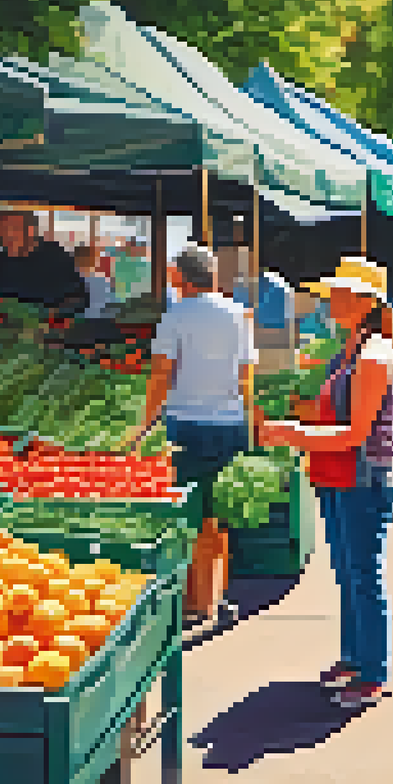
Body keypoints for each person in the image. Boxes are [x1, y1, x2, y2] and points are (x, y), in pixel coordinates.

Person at [258, 257, 393, 708]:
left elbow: (357, 433)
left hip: (362, 477)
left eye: (340, 294)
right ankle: (355, 657)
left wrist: (293, 434)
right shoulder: (350, 348)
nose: (330, 300)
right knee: (347, 571)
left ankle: (373, 672)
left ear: (364, 303)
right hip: (338, 473)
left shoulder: (375, 355)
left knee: (362, 573)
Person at [138, 241, 254, 629]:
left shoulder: (176, 315)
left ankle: (196, 603)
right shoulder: (238, 314)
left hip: (185, 423)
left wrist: (145, 422)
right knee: (218, 515)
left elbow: (160, 373)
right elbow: (246, 374)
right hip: (229, 422)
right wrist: (248, 417)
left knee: (189, 514)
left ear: (181, 277)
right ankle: (216, 598)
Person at [0, 212, 87, 314]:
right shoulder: (2, 260)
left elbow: (79, 300)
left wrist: (51, 314)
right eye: (0, 230)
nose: (3, 237)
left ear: (30, 231)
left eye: (10, 230)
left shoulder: (56, 256)